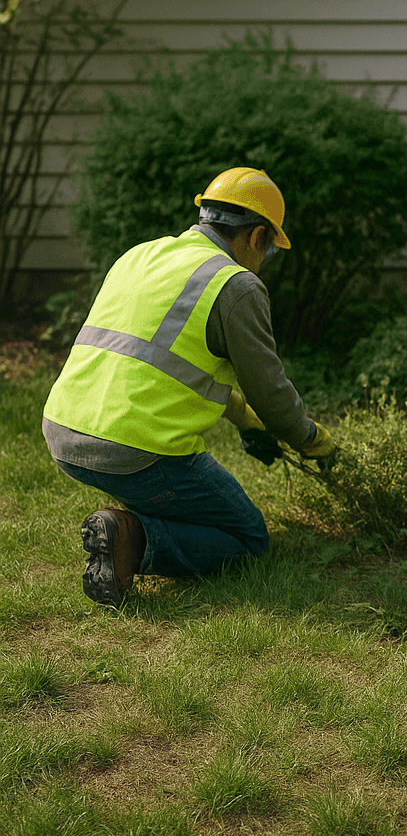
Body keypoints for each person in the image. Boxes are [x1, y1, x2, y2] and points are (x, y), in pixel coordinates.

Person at [42, 167, 337, 609]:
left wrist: (245, 421)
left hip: (63, 432)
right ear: (258, 236)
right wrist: (310, 439)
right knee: (248, 537)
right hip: (134, 451)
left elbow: (164, 365)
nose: (265, 259)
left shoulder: (141, 255)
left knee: (180, 500)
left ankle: (130, 520)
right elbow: (270, 391)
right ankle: (130, 538)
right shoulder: (236, 285)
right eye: (270, 248)